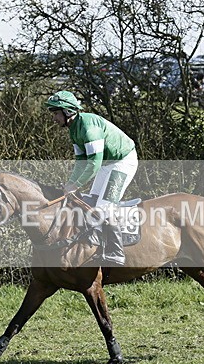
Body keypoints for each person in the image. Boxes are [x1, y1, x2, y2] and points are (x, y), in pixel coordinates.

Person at [45, 90, 138, 266]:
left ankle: (117, 252)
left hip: (123, 161)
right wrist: (71, 183)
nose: (54, 118)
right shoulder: (73, 129)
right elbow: (81, 161)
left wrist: (76, 184)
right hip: (107, 163)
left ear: (67, 111)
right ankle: (99, 242)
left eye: (56, 113)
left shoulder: (88, 127)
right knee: (91, 204)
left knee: (104, 208)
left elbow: (94, 164)